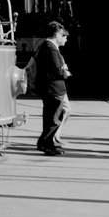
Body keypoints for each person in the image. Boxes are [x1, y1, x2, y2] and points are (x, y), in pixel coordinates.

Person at [34, 20, 72, 156]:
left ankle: (48, 143)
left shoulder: (48, 46)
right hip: (53, 88)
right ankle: (45, 143)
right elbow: (56, 69)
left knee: (53, 117)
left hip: (53, 87)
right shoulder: (49, 47)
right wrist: (65, 73)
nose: (64, 38)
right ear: (57, 34)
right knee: (53, 118)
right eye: (63, 35)